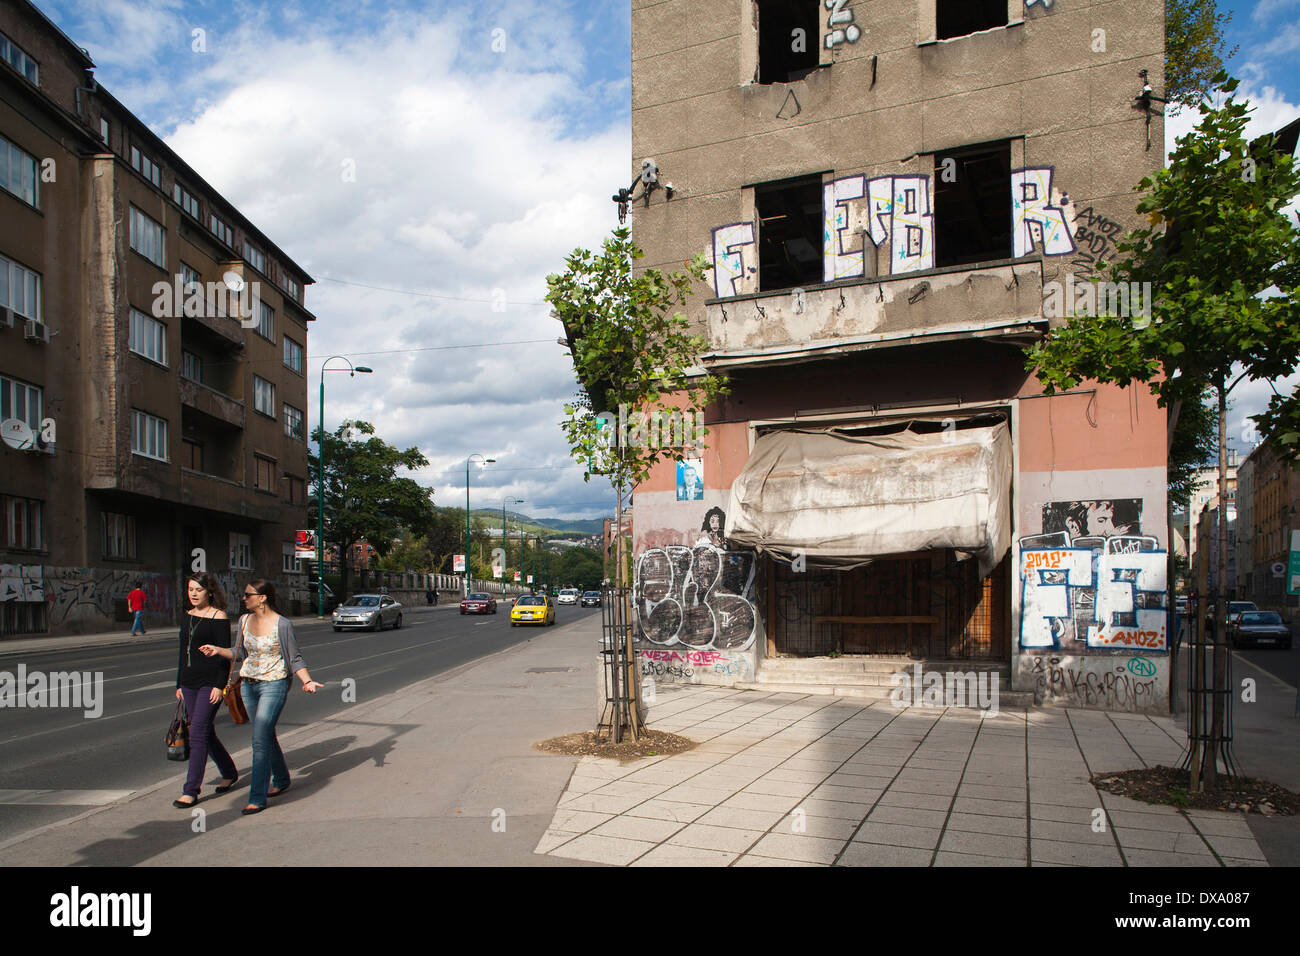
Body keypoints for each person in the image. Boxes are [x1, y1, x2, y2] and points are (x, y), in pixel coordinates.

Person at [200, 579, 324, 815]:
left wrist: (306, 681)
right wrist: (217, 650)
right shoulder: (244, 620)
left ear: (262, 598)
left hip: (274, 684)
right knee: (264, 733)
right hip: (248, 684)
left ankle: (257, 797)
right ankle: (282, 777)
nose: (244, 598)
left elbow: (294, 657)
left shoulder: (283, 624)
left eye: (248, 594)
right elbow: (239, 653)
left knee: (259, 740)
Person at [172, 573, 238, 808]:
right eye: (190, 589)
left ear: (209, 592)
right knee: (205, 732)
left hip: (210, 683)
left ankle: (190, 790)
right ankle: (229, 771)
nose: (193, 593)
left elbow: (224, 656)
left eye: (198, 590)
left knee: (197, 732)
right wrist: (178, 684)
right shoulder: (187, 616)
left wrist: (219, 687)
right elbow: (183, 651)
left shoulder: (218, 617)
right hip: (189, 682)